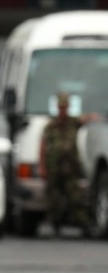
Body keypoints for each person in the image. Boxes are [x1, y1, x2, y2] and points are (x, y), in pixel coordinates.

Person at [39, 91, 92, 235]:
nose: (63, 110)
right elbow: (43, 146)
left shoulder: (73, 122)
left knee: (76, 197)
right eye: (61, 107)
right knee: (54, 199)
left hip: (71, 169)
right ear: (58, 107)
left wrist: (95, 117)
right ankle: (55, 226)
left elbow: (86, 119)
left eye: (65, 107)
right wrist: (42, 167)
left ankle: (84, 225)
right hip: (54, 168)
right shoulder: (51, 126)